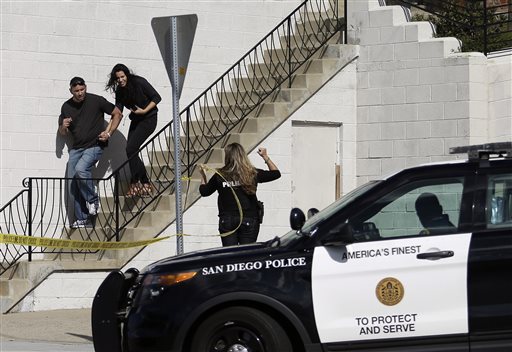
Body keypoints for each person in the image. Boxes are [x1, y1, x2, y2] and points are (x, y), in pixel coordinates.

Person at [59, 76, 122, 228]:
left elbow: (117, 113)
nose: (80, 93)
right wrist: (63, 126)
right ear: (71, 91)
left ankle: (93, 200)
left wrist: (108, 133)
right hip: (76, 149)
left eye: (82, 89)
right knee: (72, 185)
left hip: (94, 145)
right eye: (76, 91)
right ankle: (83, 218)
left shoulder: (96, 100)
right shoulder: (66, 107)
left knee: (81, 170)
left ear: (85, 87)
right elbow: (62, 132)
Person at [199, 143, 281, 246]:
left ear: (227, 156)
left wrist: (203, 176)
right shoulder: (252, 173)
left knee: (230, 256)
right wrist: (265, 156)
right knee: (246, 256)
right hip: (249, 219)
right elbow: (276, 174)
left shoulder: (220, 175)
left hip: (227, 220)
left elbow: (204, 192)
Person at [106, 63, 162, 197]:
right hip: (136, 120)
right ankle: (146, 183)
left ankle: (135, 183)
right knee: (131, 150)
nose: (120, 80)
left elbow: (157, 97)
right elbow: (117, 112)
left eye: (122, 76)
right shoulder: (120, 91)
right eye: (117, 78)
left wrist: (144, 110)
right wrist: (108, 131)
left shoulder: (139, 82)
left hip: (149, 118)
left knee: (131, 149)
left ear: (127, 75)